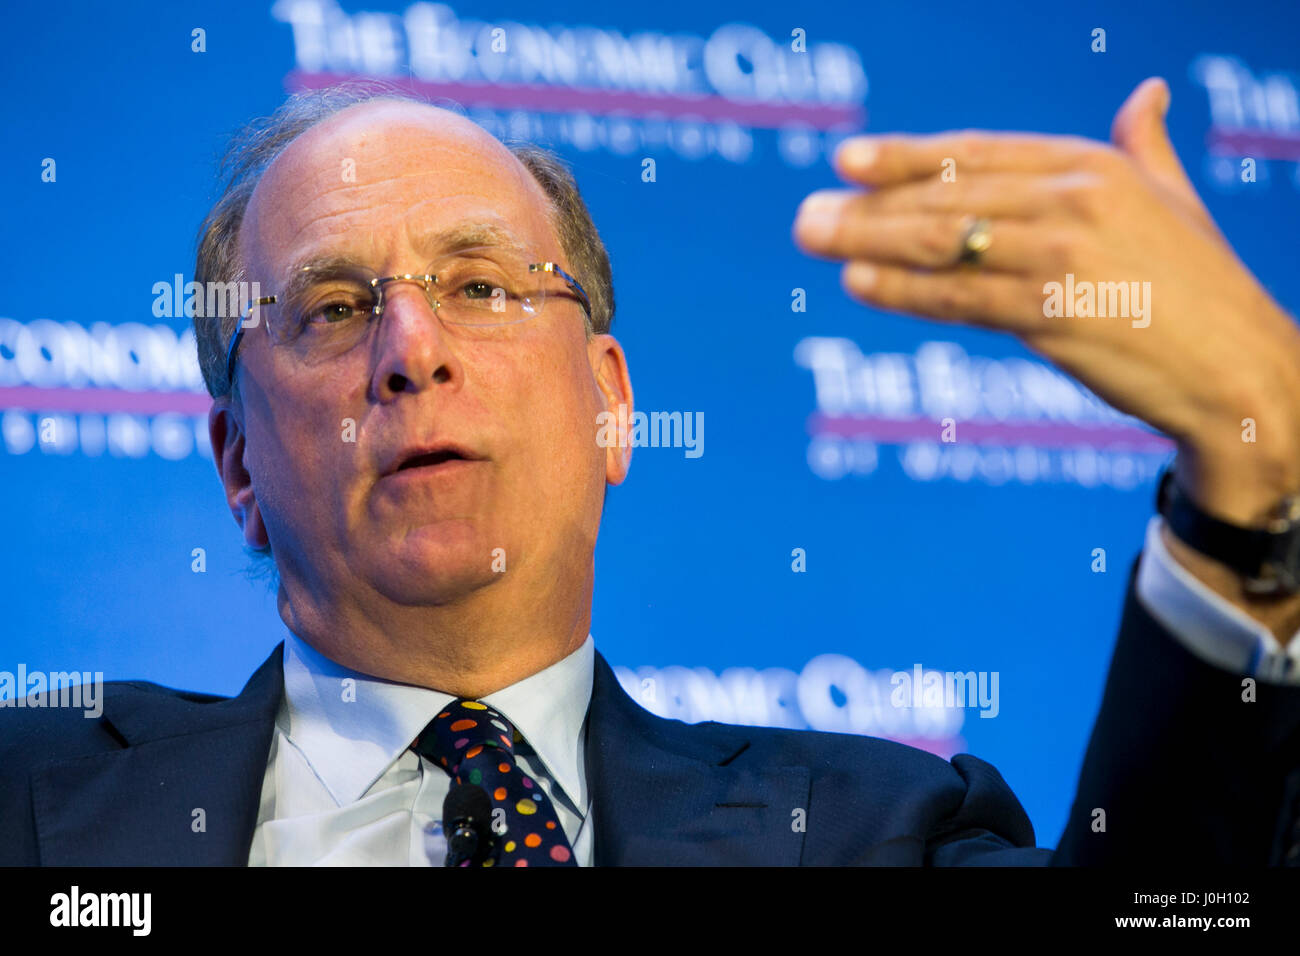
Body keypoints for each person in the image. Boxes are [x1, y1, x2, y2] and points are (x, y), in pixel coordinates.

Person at [4, 78, 1300, 866]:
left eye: (482, 286)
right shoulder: (31, 788)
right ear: (236, 457)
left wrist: (1257, 491)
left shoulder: (873, 832)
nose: (410, 351)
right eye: (334, 308)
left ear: (614, 408)